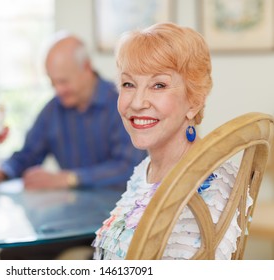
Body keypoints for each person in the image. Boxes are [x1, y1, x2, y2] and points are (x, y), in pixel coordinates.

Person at [0, 32, 146, 259]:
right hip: (72, 222)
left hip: (123, 222)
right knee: (9, 257)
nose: (58, 89)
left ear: (86, 67)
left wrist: (67, 178)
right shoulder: (53, 110)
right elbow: (27, 155)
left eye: (63, 81)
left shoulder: (122, 104)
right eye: (52, 82)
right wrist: (1, 171)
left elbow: (127, 167)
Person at [92, 22, 249, 260]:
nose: (137, 102)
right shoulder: (143, 171)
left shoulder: (212, 187)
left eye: (158, 85)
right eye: (128, 84)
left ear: (194, 101)